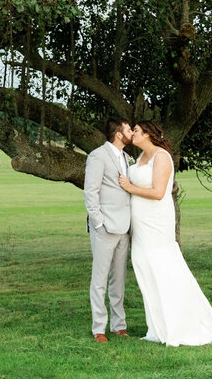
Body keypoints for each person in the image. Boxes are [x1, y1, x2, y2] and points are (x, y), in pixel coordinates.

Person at [118, 120, 212, 346]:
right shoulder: (140, 158)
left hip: (156, 224)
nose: (132, 134)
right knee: (145, 270)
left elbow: (158, 192)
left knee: (163, 269)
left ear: (148, 134)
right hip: (140, 227)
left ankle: (181, 325)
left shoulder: (161, 157)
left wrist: (129, 187)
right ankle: (157, 326)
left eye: (136, 131)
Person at [83, 117, 133, 342]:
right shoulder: (97, 156)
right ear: (119, 134)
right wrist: (98, 223)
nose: (132, 132)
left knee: (119, 279)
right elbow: (90, 192)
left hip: (124, 227)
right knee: (100, 279)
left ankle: (118, 325)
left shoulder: (126, 157)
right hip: (105, 227)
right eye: (129, 129)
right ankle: (98, 329)